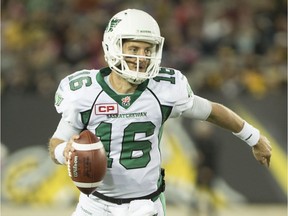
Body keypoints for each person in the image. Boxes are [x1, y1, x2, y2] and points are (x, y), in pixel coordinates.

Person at [48, 9, 272, 216]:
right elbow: (56, 142)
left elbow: (212, 111)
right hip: (94, 205)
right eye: (134, 49)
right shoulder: (85, 93)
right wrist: (64, 152)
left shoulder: (164, 89)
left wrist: (254, 137)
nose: (142, 58)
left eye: (148, 50)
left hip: (143, 205)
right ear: (113, 48)